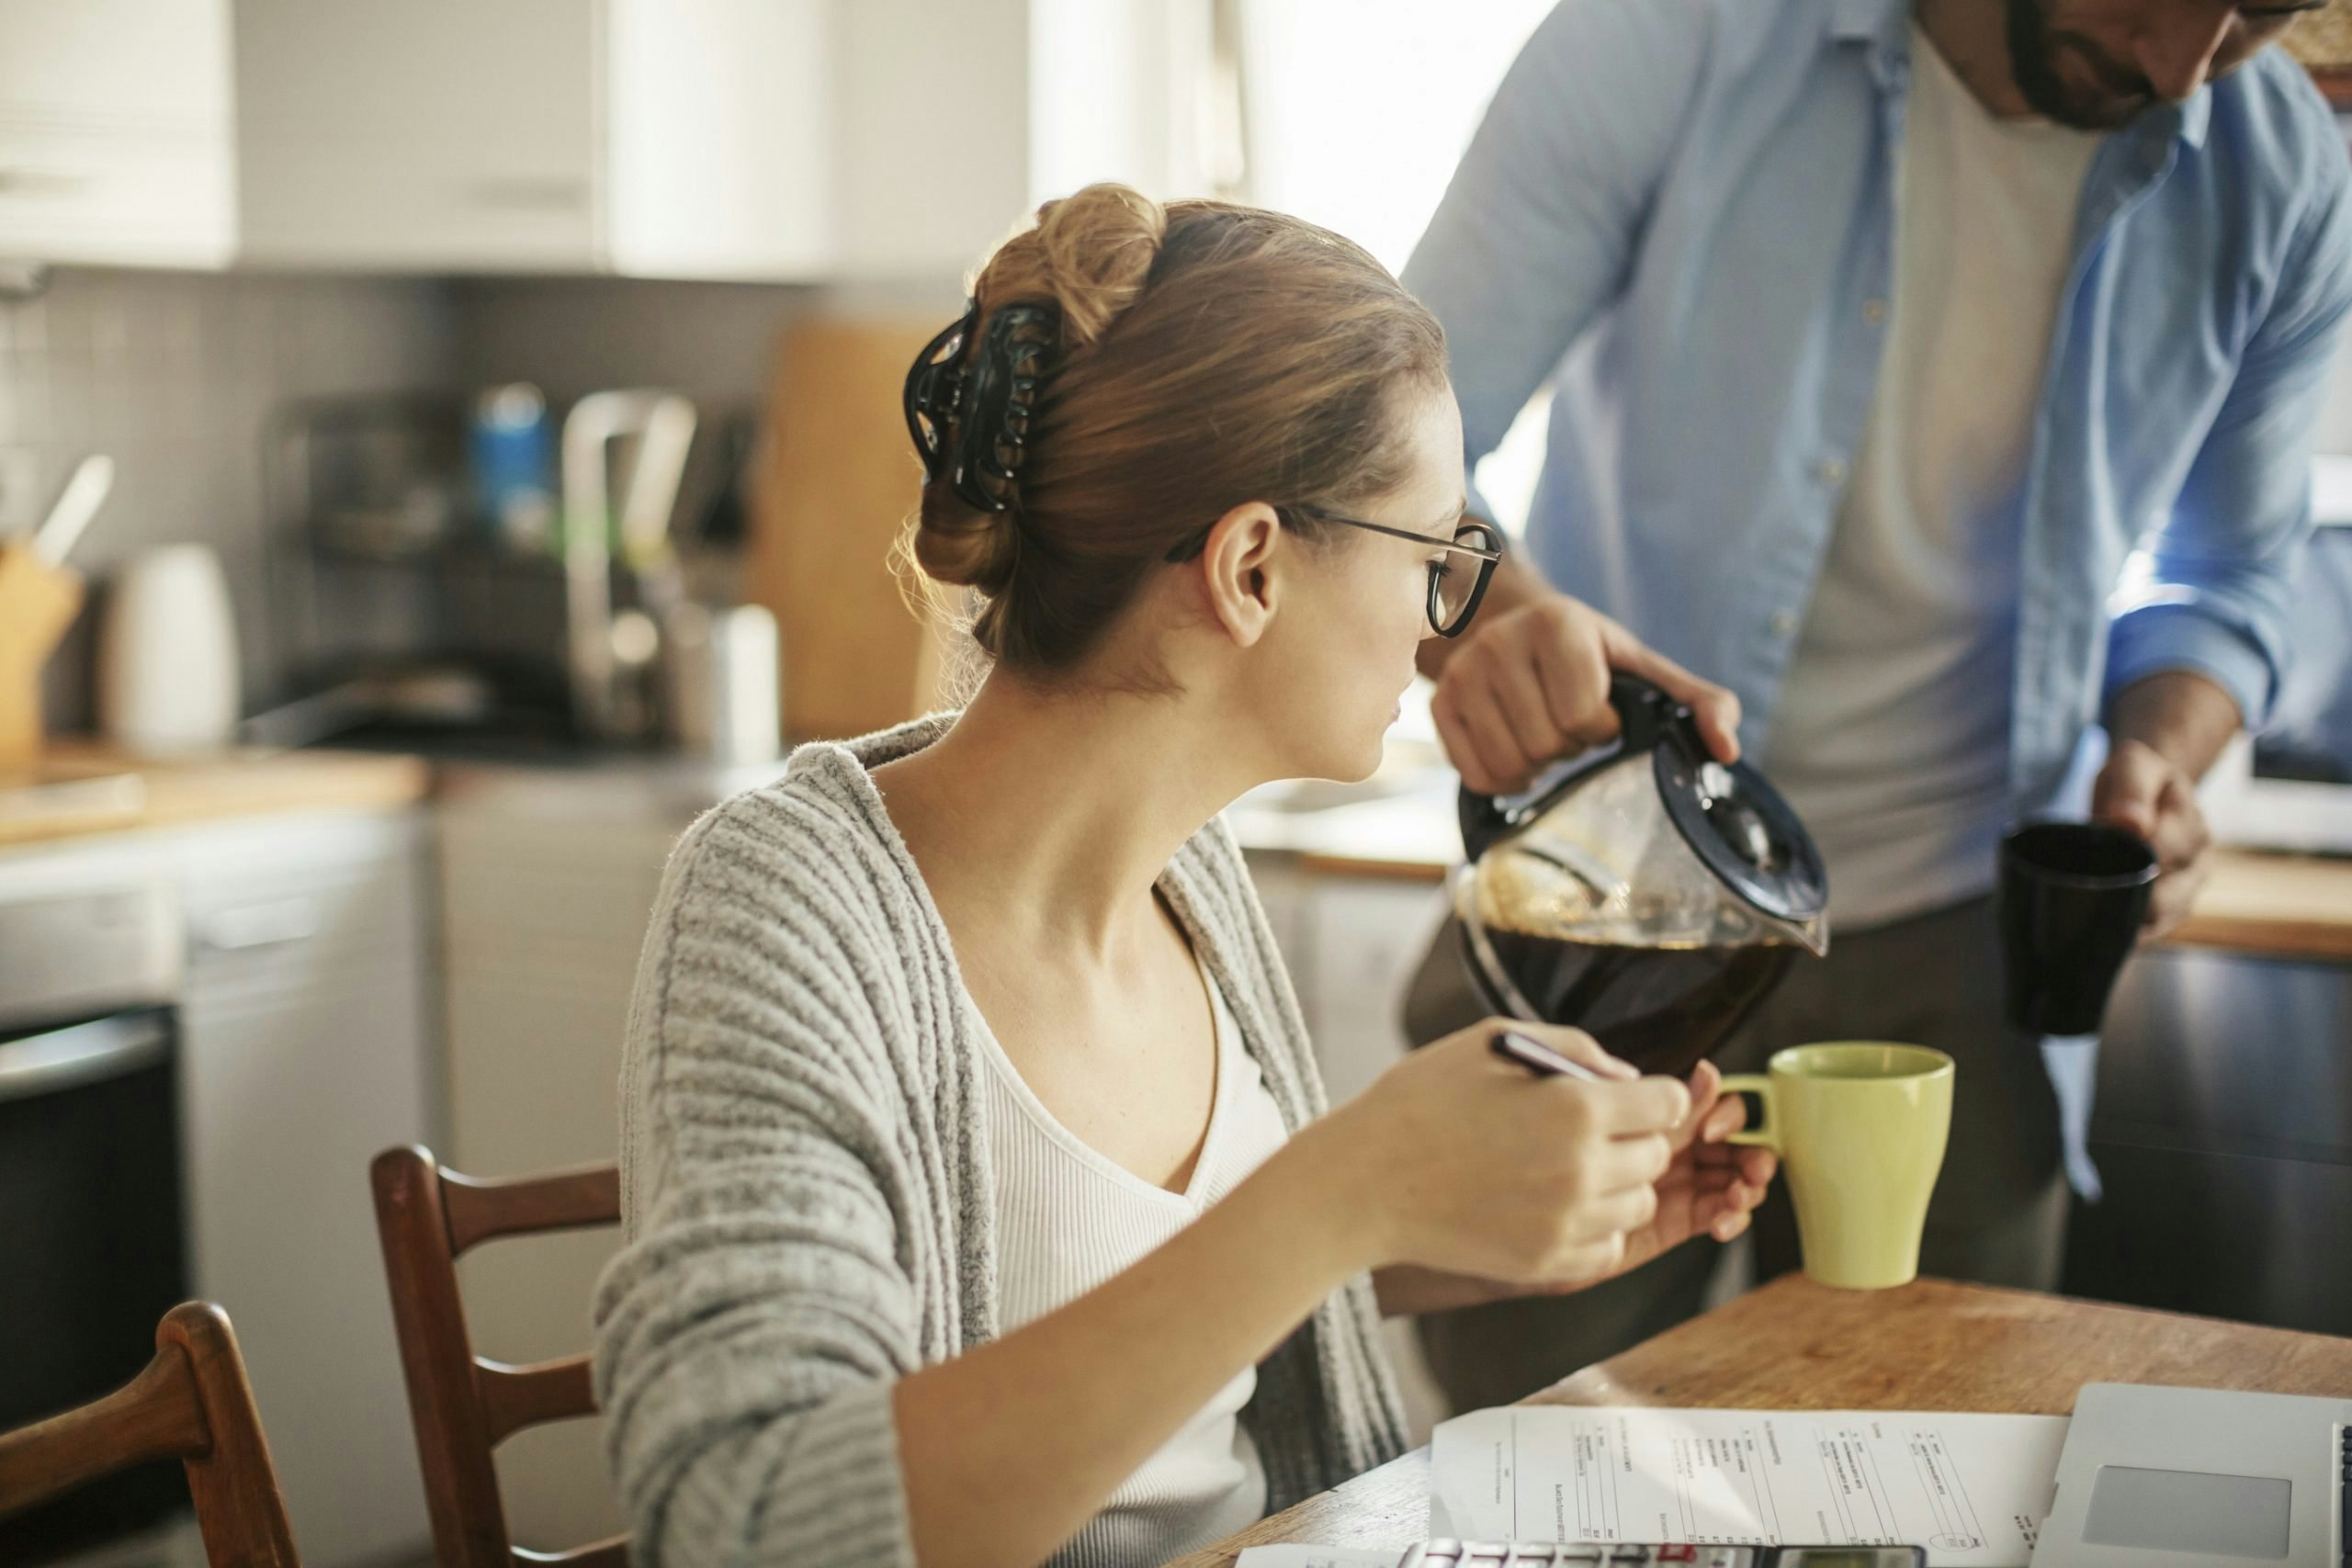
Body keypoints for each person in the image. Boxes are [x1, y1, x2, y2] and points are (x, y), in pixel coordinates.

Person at [588, 184, 1778, 1568]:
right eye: (1438, 554)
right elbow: (748, 1523)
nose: (1445, 617)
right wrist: (1342, 1188)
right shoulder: (787, 909)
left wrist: (1482, 1216)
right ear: (1254, 567)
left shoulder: (1188, 877)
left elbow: (1149, 1279)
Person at [1396, 0, 2352, 1412]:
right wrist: (1497, 612)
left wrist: (2162, 740)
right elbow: (1391, 424)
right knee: (1543, 1454)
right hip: (1613, 913)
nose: (2181, 69)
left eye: (2254, 17)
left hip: (1971, 958)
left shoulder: (2278, 171)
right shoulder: (1673, 36)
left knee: (1940, 1447)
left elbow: (2232, 575)